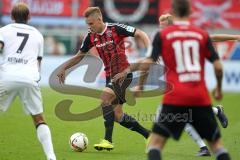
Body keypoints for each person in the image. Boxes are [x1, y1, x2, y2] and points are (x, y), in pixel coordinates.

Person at [114, 0, 231, 160]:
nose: (160, 29)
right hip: (199, 94)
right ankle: (210, 129)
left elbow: (146, 62)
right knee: (216, 145)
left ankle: (209, 132)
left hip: (176, 94)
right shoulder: (198, 34)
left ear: (172, 20)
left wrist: (139, 86)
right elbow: (216, 59)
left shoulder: (164, 38)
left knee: (155, 143)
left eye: (162, 26)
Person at [57, 7, 151, 151]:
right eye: (87, 24)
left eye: (91, 23)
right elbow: (79, 55)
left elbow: (140, 33)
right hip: (110, 76)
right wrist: (64, 68)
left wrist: (150, 52)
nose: (89, 27)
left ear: (99, 19)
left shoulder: (115, 28)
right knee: (118, 115)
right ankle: (148, 135)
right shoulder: (91, 36)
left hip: (123, 74)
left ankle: (108, 140)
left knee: (104, 99)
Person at [157, 13, 239, 156]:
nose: (160, 28)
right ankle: (214, 117)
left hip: (187, 82)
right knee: (185, 116)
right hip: (176, 83)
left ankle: (206, 142)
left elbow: (212, 38)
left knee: (181, 116)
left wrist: (235, 37)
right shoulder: (164, 39)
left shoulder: (188, 35)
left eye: (162, 25)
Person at [0, 3, 56, 160]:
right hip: (29, 78)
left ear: (11, 17)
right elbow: (39, 63)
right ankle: (51, 157)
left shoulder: (3, 31)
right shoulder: (38, 35)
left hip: (6, 76)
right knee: (39, 119)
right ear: (29, 17)